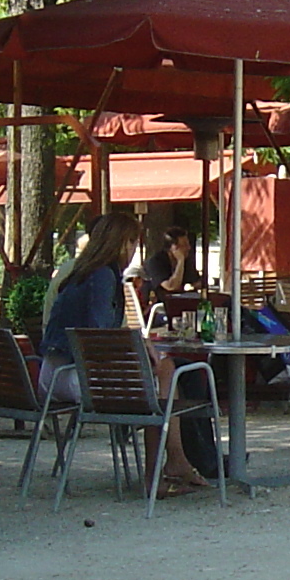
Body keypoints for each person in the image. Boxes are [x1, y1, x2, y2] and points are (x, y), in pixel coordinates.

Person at [41, 209, 215, 492]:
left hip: (55, 372)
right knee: (163, 375)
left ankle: (174, 462)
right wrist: (135, 352)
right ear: (123, 243)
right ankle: (159, 473)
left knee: (164, 374)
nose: (135, 249)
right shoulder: (103, 277)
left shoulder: (82, 272)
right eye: (134, 242)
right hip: (75, 377)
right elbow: (97, 336)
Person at [139, 226, 198, 297]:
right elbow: (171, 286)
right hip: (157, 304)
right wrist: (180, 261)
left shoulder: (186, 262)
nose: (189, 248)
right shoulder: (156, 262)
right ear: (173, 247)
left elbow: (196, 281)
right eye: (184, 245)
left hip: (179, 302)